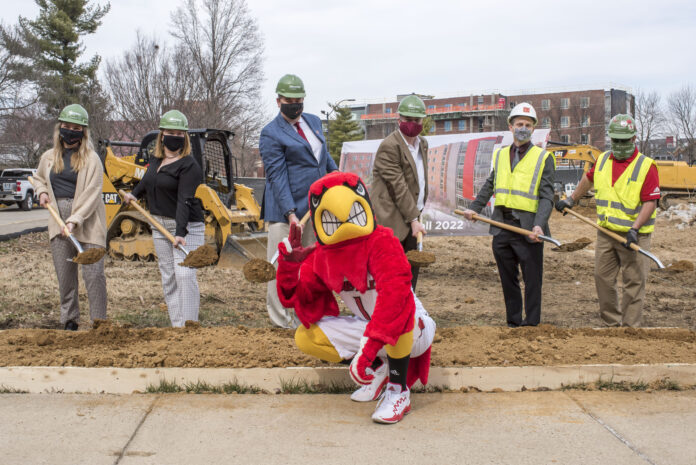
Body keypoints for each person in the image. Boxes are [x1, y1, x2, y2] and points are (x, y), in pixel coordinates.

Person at [276, 172, 435, 424]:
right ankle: (379, 371)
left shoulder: (384, 242)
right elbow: (298, 301)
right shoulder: (322, 256)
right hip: (372, 328)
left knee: (399, 310)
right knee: (306, 337)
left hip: (414, 329)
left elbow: (395, 299)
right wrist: (289, 267)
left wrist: (368, 349)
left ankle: (398, 390)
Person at [556, 114, 659, 327]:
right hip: (606, 233)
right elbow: (588, 178)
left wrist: (635, 228)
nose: (620, 145)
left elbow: (651, 202)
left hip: (634, 235)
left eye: (624, 141)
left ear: (633, 139)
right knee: (602, 278)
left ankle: (630, 329)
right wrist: (572, 200)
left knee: (634, 282)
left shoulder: (646, 166)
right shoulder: (602, 159)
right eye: (616, 141)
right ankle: (612, 324)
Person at [459, 103, 555, 327]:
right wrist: (475, 208)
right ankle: (513, 322)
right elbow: (490, 184)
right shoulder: (501, 155)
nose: (523, 128)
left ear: (533, 129)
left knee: (532, 281)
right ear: (510, 127)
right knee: (507, 279)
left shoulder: (543, 158)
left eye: (528, 125)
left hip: (528, 228)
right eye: (519, 124)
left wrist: (539, 225)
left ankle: (531, 325)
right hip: (502, 225)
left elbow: (547, 196)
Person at [259, 74, 337, 328]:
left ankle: (311, 318)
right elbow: (277, 176)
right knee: (283, 268)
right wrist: (290, 213)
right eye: (289, 100)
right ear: (278, 101)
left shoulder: (314, 122)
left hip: (314, 207)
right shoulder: (271, 133)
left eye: (299, 100)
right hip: (285, 210)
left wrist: (336, 176)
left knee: (313, 265)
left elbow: (322, 159)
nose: (295, 104)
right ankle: (281, 321)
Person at [123, 110, 204, 327]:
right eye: (170, 132)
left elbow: (184, 200)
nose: (174, 137)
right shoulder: (155, 159)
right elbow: (148, 181)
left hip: (187, 227)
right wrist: (134, 194)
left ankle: (190, 326)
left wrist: (179, 233)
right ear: (162, 134)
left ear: (184, 137)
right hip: (159, 225)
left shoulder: (189, 165)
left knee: (184, 275)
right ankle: (177, 327)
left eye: (179, 133)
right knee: (168, 276)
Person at [33, 104, 107, 331]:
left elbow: (93, 193)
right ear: (60, 128)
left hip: (88, 220)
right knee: (65, 277)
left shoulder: (92, 159)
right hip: (58, 221)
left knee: (94, 275)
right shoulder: (48, 157)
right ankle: (69, 320)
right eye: (67, 126)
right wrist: (42, 191)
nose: (71, 131)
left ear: (83, 132)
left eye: (76, 128)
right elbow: (37, 179)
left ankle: (99, 322)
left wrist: (75, 219)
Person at [370, 94, 429, 290]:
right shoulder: (390, 146)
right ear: (399, 120)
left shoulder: (423, 144)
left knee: (410, 278)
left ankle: (408, 315)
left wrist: (416, 217)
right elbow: (398, 186)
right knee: (390, 278)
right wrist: (414, 219)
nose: (413, 124)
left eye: (417, 120)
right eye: (408, 120)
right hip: (391, 222)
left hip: (413, 218)